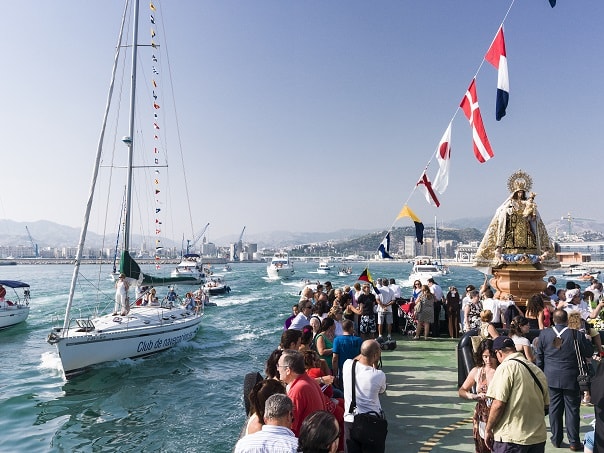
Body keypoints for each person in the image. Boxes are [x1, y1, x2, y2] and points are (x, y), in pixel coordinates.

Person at [474, 170, 557, 269]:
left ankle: (528, 254)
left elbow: (533, 214)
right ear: (515, 193)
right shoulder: (511, 202)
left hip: (526, 226)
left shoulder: (526, 202)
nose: (520, 194)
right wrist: (510, 212)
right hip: (514, 226)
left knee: (529, 240)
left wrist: (531, 212)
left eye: (522, 193)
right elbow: (503, 211)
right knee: (511, 239)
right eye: (519, 193)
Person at [536, 309, 593, 450]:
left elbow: (539, 357)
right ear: (567, 320)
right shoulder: (577, 334)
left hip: (551, 376)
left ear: (553, 320)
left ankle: (556, 438)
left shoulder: (544, 334)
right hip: (571, 377)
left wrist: (542, 375)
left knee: (554, 409)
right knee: (572, 409)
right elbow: (589, 352)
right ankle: (574, 441)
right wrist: (587, 339)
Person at [485, 336, 549, 452]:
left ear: (498, 353)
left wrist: (488, 429)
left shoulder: (505, 367)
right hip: (537, 437)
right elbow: (546, 405)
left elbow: (498, 404)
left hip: (511, 439)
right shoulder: (537, 370)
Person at [343, 339, 387, 453]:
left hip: (350, 420)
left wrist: (367, 352)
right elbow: (381, 391)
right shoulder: (379, 375)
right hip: (372, 423)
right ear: (375, 355)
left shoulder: (347, 365)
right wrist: (375, 361)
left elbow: (356, 359)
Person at [458, 338, 499, 453]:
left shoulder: (501, 371)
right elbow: (462, 390)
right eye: (485, 356)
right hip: (482, 415)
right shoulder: (477, 371)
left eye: (491, 356)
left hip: (498, 413)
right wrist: (473, 396)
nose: (488, 360)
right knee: (482, 448)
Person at [277, 349, 326, 436]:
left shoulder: (297, 391)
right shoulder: (310, 380)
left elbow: (290, 426)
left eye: (279, 366)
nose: (277, 369)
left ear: (288, 370)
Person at [332, 319, 363, 391]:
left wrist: (335, 375)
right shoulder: (358, 340)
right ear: (352, 328)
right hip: (356, 370)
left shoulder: (337, 340)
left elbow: (335, 358)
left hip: (342, 371)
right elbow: (362, 356)